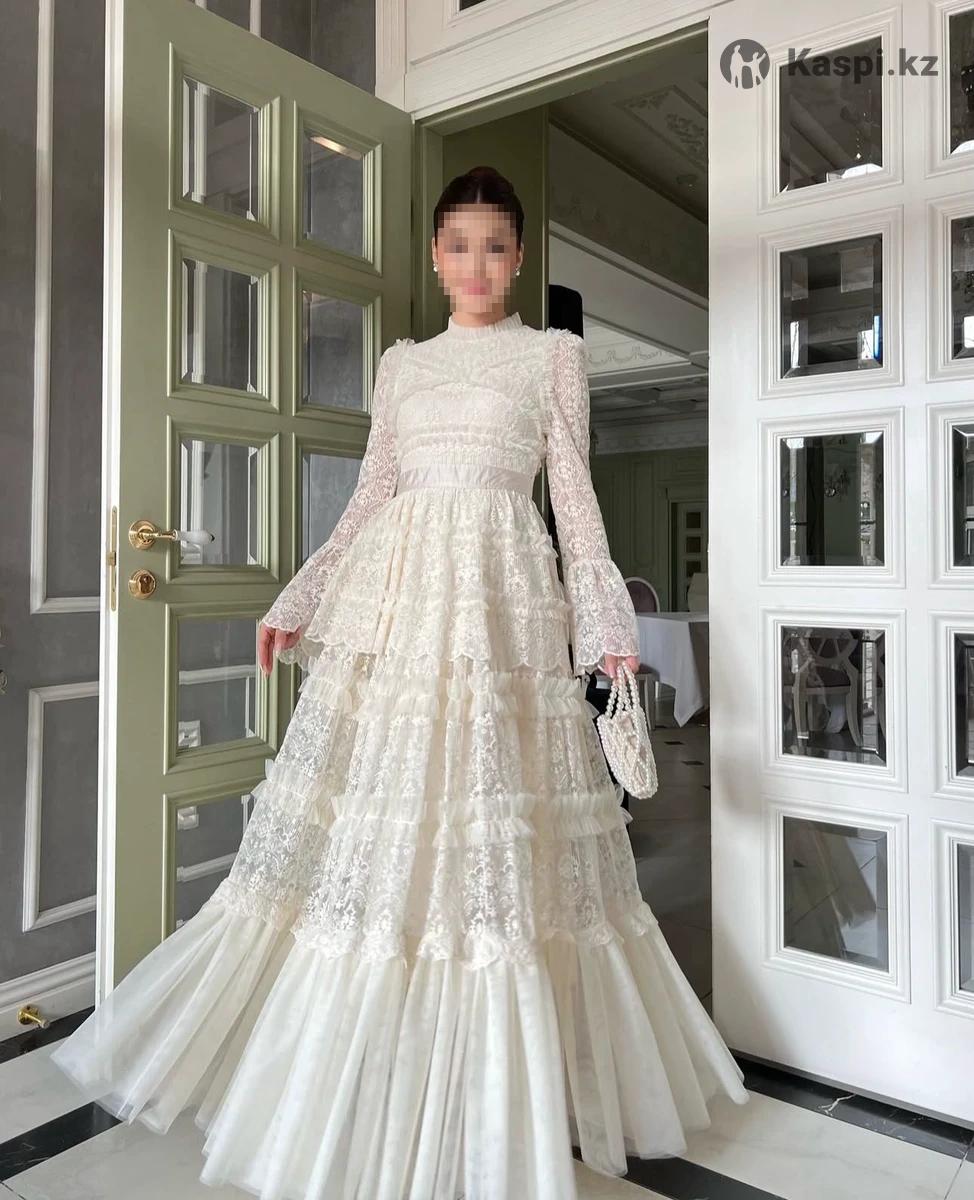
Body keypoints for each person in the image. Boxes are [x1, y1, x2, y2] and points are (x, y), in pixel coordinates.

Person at [51, 165, 748, 1200]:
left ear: (519, 257)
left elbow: (575, 501)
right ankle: (374, 1075)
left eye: (496, 247)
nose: (477, 265)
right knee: (383, 839)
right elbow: (371, 495)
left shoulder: (553, 357)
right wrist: (299, 597)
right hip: (404, 616)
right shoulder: (403, 366)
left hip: (502, 613)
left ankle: (494, 1097)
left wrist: (606, 631)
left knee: (495, 844)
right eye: (459, 245)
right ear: (434, 254)